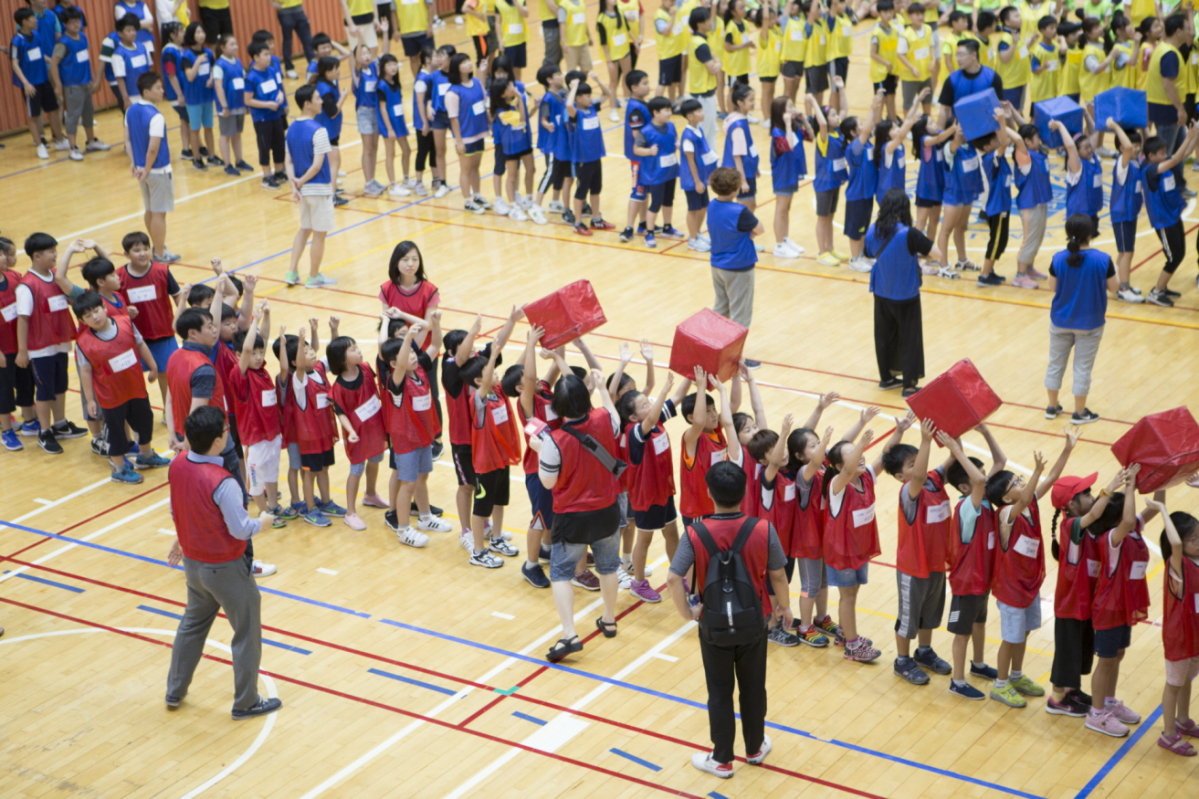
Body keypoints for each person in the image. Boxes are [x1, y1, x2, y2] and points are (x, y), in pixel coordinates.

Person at [667, 460, 791, 777]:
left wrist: (687, 612)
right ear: (744, 492)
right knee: (753, 688)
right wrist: (785, 608)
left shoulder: (694, 533)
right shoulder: (763, 528)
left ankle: (722, 759)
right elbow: (778, 573)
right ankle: (754, 748)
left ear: (709, 493)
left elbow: (673, 578)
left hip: (714, 625)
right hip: (754, 623)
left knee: (719, 692)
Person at [164, 405, 282, 720]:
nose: (229, 435)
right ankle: (246, 702)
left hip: (194, 565)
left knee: (191, 625)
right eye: (226, 432)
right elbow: (240, 529)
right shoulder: (223, 482)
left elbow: (178, 507)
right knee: (246, 632)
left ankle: (174, 689)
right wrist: (264, 523)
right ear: (217, 442)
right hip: (226, 569)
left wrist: (181, 537)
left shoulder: (176, 465)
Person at [529, 370, 624, 662]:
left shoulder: (554, 441)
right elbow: (611, 411)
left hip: (572, 516)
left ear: (557, 407)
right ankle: (608, 619)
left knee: (560, 574)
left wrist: (538, 447)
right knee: (608, 567)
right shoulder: (605, 419)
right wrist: (601, 388)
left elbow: (547, 482)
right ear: (587, 398)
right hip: (607, 509)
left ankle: (569, 633)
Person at [984, 431, 1077, 708]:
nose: (1022, 483)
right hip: (1011, 588)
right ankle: (1000, 685)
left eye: (1020, 479)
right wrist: (1036, 470)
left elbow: (1051, 479)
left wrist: (1067, 450)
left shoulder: (1029, 503)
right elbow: (1025, 498)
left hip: (1030, 582)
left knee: (1023, 633)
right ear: (1006, 498)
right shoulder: (1005, 514)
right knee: (1010, 638)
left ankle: (1016, 675)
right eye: (1015, 483)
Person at [1086, 466, 1163, 737]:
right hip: (1109, 607)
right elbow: (1129, 520)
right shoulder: (1111, 538)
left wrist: (1161, 478)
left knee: (1117, 655)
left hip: (1125, 605)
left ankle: (1108, 701)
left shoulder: (1131, 530)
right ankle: (1095, 714)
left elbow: (1156, 507)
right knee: (1106, 660)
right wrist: (1129, 486)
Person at [882, 418, 956, 685]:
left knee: (929, 613)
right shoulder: (908, 491)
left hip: (937, 562)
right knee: (908, 617)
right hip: (913, 567)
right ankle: (902, 660)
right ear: (901, 476)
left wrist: (955, 426)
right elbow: (921, 475)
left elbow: (952, 457)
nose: (919, 466)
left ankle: (924, 652)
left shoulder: (935, 479)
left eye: (918, 459)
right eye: (912, 464)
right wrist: (925, 440)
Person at [1046, 469, 1123, 717]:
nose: (1092, 496)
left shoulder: (1089, 528)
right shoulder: (1071, 526)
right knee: (1067, 653)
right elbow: (1095, 512)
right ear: (1072, 504)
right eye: (1086, 493)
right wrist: (1111, 486)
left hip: (1085, 603)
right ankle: (1057, 698)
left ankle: (1072, 690)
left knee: (1080, 650)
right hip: (1070, 605)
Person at [72, 290, 170, 483]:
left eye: (96, 310)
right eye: (88, 315)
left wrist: (153, 366)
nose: (95, 317)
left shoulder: (126, 323)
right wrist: (90, 400)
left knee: (144, 421)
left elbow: (141, 345)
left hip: (135, 388)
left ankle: (146, 456)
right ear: (83, 320)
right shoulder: (83, 343)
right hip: (110, 397)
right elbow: (85, 372)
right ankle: (118, 468)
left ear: (104, 307)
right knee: (116, 433)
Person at [16, 233, 87, 455]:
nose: (55, 255)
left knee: (60, 386)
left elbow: (70, 298)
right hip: (40, 348)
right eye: (51, 252)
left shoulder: (56, 277)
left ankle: (60, 424)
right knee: (45, 391)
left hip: (60, 343)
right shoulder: (27, 286)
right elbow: (23, 319)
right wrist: (22, 351)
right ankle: (44, 432)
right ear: (37, 256)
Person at [1044, 214, 1118, 426]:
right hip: (1090, 323)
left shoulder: (1057, 258)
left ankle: (1052, 407)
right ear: (1090, 234)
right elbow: (1114, 288)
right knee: (1082, 368)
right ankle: (1079, 412)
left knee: (1055, 364)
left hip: (1060, 321)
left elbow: (1053, 287)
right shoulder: (1103, 260)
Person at [866, 189, 940, 398]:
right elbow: (937, 253)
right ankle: (909, 385)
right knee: (909, 338)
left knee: (884, 335)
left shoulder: (874, 229)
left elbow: (868, 253)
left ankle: (886, 379)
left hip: (881, 290)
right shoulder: (909, 233)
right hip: (905, 294)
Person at [706, 167, 763, 363]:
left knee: (721, 309)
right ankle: (734, 359)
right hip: (738, 268)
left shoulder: (712, 205)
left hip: (717, 266)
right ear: (735, 188)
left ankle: (712, 348)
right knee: (740, 315)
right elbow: (760, 229)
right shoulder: (740, 211)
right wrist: (750, 234)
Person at [1156, 504, 1199, 756]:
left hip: (1195, 634)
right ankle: (1168, 734)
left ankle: (1183, 719)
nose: (1198, 541)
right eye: (1193, 539)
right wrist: (1162, 509)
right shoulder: (1178, 566)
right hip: (1179, 637)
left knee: (1187, 680)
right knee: (1174, 684)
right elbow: (1174, 543)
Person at [284, 85, 338, 290]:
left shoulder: (291, 129)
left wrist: (295, 185)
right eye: (317, 98)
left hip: (302, 190)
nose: (321, 101)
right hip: (319, 189)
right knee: (319, 234)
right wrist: (300, 182)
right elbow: (317, 166)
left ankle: (292, 271)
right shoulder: (319, 130)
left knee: (304, 229)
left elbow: (288, 162)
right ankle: (313, 276)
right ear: (307, 104)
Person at [1140, 124, 1199, 307]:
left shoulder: (1161, 164)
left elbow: (1184, 154)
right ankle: (1156, 292)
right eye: (1162, 152)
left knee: (1179, 253)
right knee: (1174, 257)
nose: (1166, 154)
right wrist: (1188, 137)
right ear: (1151, 156)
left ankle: (1163, 288)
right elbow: (1176, 159)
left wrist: (1195, 135)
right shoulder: (1150, 170)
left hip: (1173, 216)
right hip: (1163, 221)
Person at [124, 74, 177, 265]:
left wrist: (135, 164)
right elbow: (153, 148)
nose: (162, 91)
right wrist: (147, 168)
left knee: (150, 210)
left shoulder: (130, 110)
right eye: (158, 88)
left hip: (141, 170)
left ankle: (157, 246)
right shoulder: (155, 116)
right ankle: (161, 253)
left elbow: (128, 140)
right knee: (159, 213)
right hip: (157, 170)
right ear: (147, 92)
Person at [51, 7, 107, 160]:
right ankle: (73, 147)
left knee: (88, 113)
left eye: (78, 21)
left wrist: (94, 78)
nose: (76, 24)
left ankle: (91, 141)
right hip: (72, 84)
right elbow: (54, 63)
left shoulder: (83, 37)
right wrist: (58, 84)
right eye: (72, 22)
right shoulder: (63, 42)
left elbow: (86, 59)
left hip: (86, 82)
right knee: (73, 116)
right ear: (65, 24)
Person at [11, 7, 66, 159]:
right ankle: (40, 145)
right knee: (33, 115)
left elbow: (41, 54)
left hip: (44, 79)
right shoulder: (17, 41)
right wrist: (26, 83)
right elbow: (14, 63)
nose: (36, 20)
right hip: (30, 84)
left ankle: (60, 140)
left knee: (54, 109)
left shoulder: (36, 35)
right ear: (24, 22)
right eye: (32, 19)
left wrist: (53, 62)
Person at [1146, 15, 1191, 196]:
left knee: (1178, 151)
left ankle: (1178, 186)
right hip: (1168, 110)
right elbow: (1168, 84)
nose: (1189, 32)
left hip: (1165, 109)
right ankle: (1158, 191)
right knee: (1165, 154)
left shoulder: (1163, 48)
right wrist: (1180, 109)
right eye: (1187, 28)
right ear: (1178, 31)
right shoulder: (1170, 54)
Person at [244, 41, 288, 189]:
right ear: (256, 57)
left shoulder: (270, 71)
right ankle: (266, 176)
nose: (269, 57)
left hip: (275, 115)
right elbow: (248, 100)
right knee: (264, 146)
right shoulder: (251, 77)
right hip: (262, 118)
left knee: (279, 144)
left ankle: (279, 172)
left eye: (269, 54)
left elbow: (278, 89)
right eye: (266, 54)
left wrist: (280, 96)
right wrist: (268, 105)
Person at [274, 0, 316, 80]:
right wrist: (272, 3)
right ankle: (289, 68)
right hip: (285, 11)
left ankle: (313, 64)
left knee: (307, 40)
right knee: (288, 41)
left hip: (299, 10)